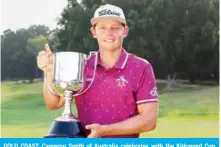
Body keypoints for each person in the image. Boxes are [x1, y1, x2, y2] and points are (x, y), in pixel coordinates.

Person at [37, 4, 159, 138]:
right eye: (102, 28)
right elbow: (53, 104)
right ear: (93, 32)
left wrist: (104, 130)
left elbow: (149, 120)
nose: (109, 33)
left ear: (125, 31)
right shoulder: (82, 65)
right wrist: (48, 70)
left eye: (115, 28)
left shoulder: (141, 67)